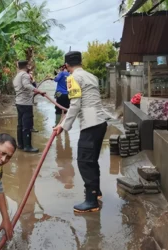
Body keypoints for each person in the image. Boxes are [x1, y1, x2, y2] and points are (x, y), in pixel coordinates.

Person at [53, 51, 107, 213]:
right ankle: (96, 192)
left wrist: (62, 125)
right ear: (81, 62)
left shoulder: (73, 78)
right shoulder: (91, 76)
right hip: (100, 122)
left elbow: (75, 105)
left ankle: (91, 202)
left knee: (84, 161)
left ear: (67, 65)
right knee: (91, 160)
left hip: (90, 124)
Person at [13, 60, 45, 153]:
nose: (30, 66)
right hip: (26, 103)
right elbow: (27, 85)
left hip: (19, 102)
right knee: (27, 125)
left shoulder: (17, 75)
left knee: (20, 125)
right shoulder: (25, 75)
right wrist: (38, 91)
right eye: (29, 65)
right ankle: (27, 146)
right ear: (26, 66)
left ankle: (20, 144)